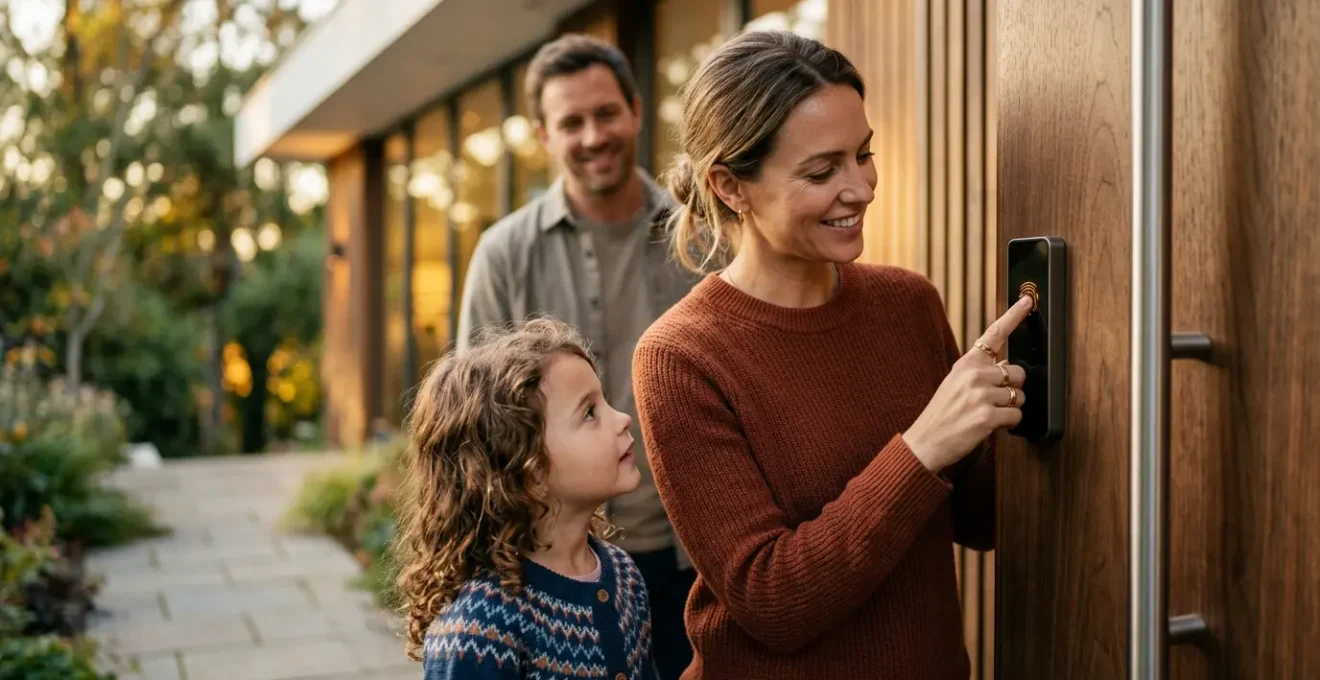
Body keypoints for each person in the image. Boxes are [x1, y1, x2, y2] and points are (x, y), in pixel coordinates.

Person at [631, 30, 1035, 679]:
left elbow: (979, 520)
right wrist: (924, 445)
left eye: (864, 154)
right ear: (730, 186)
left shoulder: (907, 304)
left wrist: (1017, 409)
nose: (861, 187)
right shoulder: (682, 358)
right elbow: (771, 601)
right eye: (822, 171)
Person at [456, 34, 697, 678]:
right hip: (546, 566)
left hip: (689, 556)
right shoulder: (504, 254)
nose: (593, 135)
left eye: (606, 113)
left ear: (637, 113)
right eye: (571, 122)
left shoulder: (701, 240)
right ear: (543, 135)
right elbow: (478, 429)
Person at [395, 318, 657, 680]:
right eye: (590, 413)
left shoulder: (624, 576)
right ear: (527, 468)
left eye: (605, 401)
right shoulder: (479, 629)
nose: (623, 419)